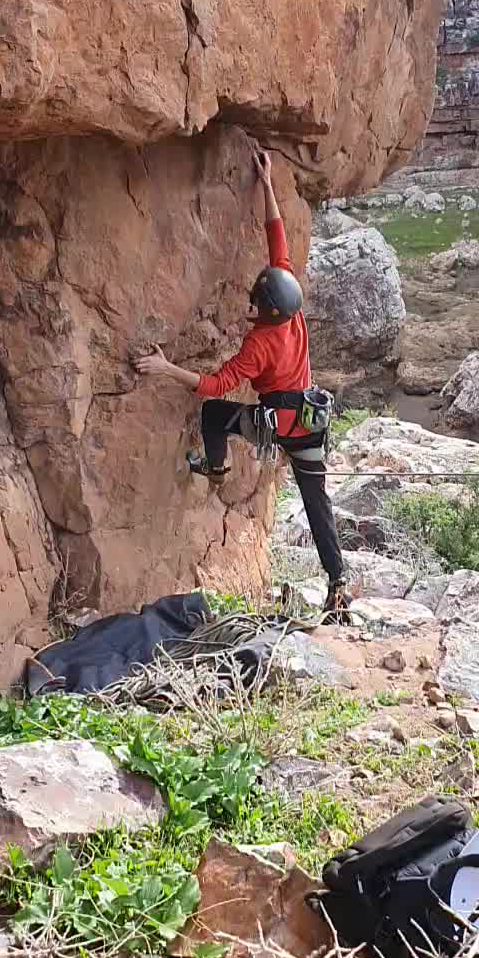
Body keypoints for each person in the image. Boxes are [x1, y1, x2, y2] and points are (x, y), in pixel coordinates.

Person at [136, 148, 349, 622]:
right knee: (317, 503)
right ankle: (338, 585)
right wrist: (267, 184)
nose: (249, 301)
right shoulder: (290, 306)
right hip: (310, 420)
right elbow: (278, 239)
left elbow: (216, 385)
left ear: (266, 309)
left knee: (214, 415)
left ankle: (215, 468)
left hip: (279, 423)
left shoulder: (259, 344)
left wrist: (166, 368)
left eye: (255, 299)